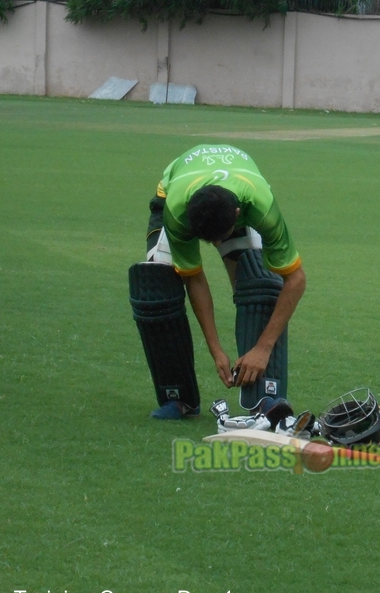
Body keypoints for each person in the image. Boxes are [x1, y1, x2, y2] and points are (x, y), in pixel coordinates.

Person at [128, 144, 306, 420]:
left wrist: (262, 348)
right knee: (156, 289)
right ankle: (178, 397)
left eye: (219, 238)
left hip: (240, 191)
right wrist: (216, 352)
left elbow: (295, 279)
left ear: (237, 215)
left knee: (261, 285)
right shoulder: (178, 212)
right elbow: (194, 279)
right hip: (176, 191)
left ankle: (266, 395)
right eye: (207, 240)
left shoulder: (261, 206)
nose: (215, 245)